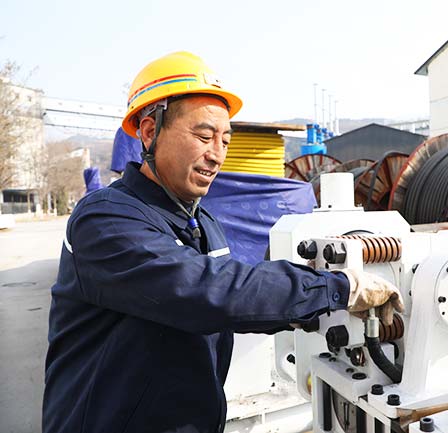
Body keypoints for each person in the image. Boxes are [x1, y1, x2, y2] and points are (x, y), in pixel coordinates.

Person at [42, 51, 404, 433]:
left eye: (225, 141)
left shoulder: (203, 224)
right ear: (149, 132)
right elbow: (208, 290)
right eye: (203, 136)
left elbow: (239, 298)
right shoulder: (104, 220)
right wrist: (338, 288)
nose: (217, 155)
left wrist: (320, 306)